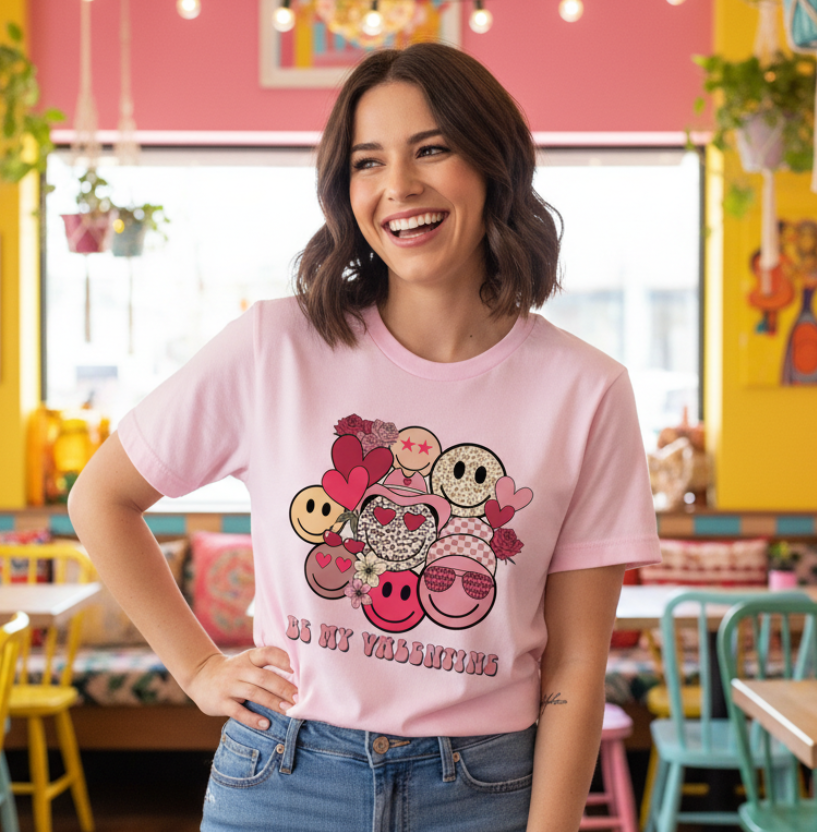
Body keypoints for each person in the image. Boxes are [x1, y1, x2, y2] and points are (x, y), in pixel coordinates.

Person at [69, 42, 660, 832]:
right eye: (367, 162)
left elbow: (577, 664)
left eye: (432, 150)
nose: (398, 188)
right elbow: (102, 497)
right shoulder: (273, 346)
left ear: (494, 164)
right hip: (283, 777)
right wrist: (198, 666)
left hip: (484, 789)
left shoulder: (587, 391)